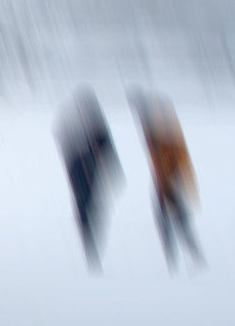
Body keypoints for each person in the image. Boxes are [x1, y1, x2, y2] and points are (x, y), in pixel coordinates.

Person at [129, 91, 205, 273]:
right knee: (171, 218)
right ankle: (184, 258)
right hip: (164, 178)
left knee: (171, 218)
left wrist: (169, 180)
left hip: (169, 178)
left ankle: (181, 260)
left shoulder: (156, 124)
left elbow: (170, 151)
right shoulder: (151, 123)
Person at [53, 88, 122, 271]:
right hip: (79, 168)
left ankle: (91, 248)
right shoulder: (77, 122)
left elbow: (106, 146)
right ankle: (90, 248)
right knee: (84, 207)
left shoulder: (94, 123)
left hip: (86, 169)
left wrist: (114, 169)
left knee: (86, 207)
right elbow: (61, 136)